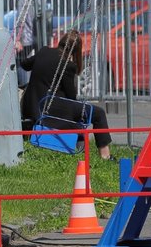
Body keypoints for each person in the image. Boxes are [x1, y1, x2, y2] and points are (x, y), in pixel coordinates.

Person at [20, 29, 113, 159]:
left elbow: (24, 64)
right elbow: (71, 97)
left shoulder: (44, 51)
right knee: (98, 113)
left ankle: (79, 146)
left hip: (31, 106)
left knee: (78, 114)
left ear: (61, 41)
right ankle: (105, 156)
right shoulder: (68, 65)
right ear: (75, 51)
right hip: (49, 109)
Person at [13, 0, 36, 88]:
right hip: (35, 37)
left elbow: (21, 20)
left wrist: (18, 39)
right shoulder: (36, 0)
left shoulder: (22, 1)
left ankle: (22, 86)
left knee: (19, 62)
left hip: (25, 38)